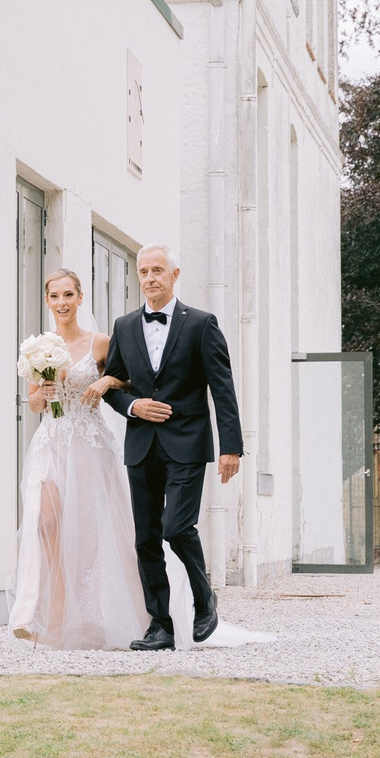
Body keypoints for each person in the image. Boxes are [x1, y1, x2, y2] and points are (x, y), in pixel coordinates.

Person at [102, 243, 245, 650]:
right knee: (146, 537)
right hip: (141, 445)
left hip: (187, 443)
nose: (150, 278)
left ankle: (205, 599)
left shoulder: (201, 324)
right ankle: (160, 625)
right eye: (143, 271)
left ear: (174, 275)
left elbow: (223, 388)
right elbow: (114, 384)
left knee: (176, 527)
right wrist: (133, 406)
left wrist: (230, 446)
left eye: (157, 271)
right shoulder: (124, 325)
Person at [7, 268, 151, 649]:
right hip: (52, 442)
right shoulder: (38, 348)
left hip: (88, 444)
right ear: (47, 301)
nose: (62, 303)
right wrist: (42, 392)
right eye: (55, 296)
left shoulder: (100, 343)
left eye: (68, 295)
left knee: (84, 536)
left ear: (80, 298)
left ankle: (89, 616)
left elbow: (130, 379)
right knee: (45, 520)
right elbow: (35, 401)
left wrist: (107, 380)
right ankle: (41, 614)